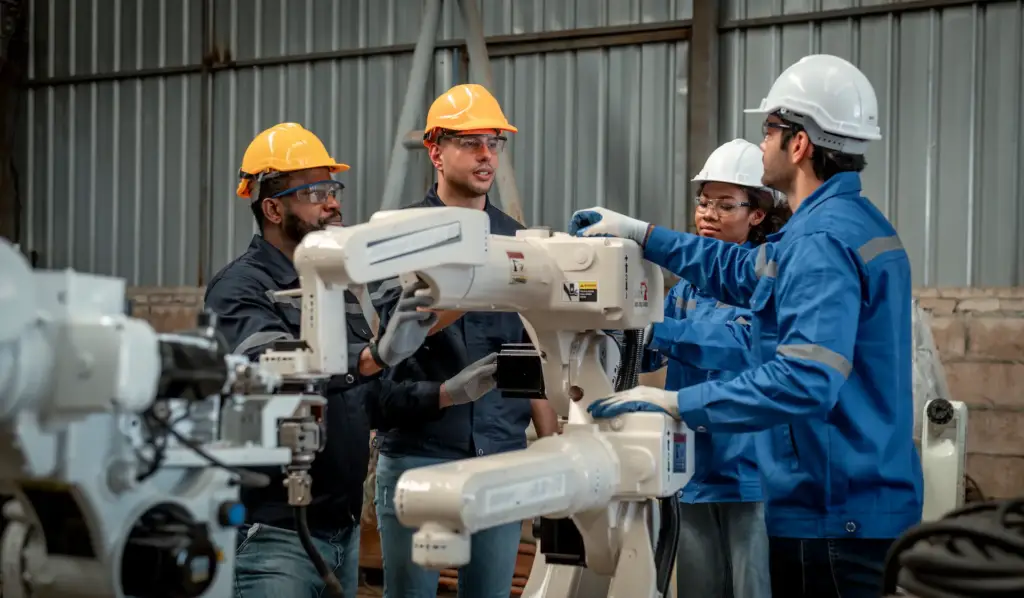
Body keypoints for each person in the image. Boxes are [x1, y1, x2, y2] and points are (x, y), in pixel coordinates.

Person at [570, 54, 923, 597]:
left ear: (799, 143)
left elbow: (806, 378)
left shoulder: (821, 242)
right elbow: (735, 269)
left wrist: (674, 403)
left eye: (769, 130)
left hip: (833, 511)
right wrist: (640, 233)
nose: (762, 143)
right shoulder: (837, 226)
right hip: (844, 500)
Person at [205, 122, 496, 598]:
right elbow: (275, 370)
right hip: (274, 536)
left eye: (333, 188)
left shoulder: (333, 285)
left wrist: (448, 393)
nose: (333, 203)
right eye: (315, 192)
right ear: (274, 208)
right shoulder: (240, 289)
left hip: (338, 534)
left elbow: (368, 402)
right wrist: (372, 356)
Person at [373, 83, 560, 598]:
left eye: (494, 142)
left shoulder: (515, 240)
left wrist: (552, 450)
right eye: (470, 142)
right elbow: (394, 337)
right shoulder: (396, 235)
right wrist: (476, 279)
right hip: (421, 454)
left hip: (499, 458)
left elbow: (526, 349)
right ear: (435, 150)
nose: (486, 155)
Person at [640, 139, 789, 598]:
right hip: (692, 469)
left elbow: (739, 346)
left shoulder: (770, 279)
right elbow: (649, 356)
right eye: (704, 202)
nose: (707, 213)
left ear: (757, 214)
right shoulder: (686, 287)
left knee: (753, 589)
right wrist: (613, 326)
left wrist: (654, 331)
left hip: (750, 473)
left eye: (725, 205)